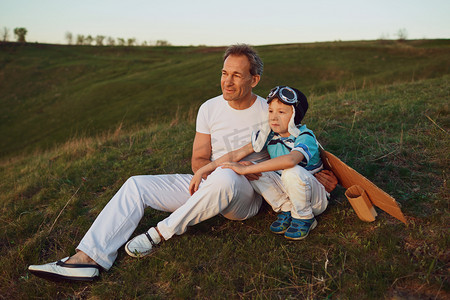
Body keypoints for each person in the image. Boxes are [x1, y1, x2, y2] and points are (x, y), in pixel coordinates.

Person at [28, 44, 337, 282]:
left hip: (248, 193)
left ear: (254, 79)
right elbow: (199, 158)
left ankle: (160, 233)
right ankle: (87, 259)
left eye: (237, 75)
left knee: (228, 178)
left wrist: (320, 173)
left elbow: (302, 143)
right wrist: (206, 170)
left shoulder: (268, 110)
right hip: (212, 179)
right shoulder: (209, 108)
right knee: (137, 184)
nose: (227, 82)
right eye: (224, 72)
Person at [190, 86, 327, 240]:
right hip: (289, 191)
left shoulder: (304, 135)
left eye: (281, 112)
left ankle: (305, 217)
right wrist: (204, 170)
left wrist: (247, 170)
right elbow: (237, 153)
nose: (274, 117)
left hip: (313, 199)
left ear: (295, 115)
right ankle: (286, 208)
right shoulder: (269, 135)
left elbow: (290, 160)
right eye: (271, 111)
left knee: (291, 171)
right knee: (249, 166)